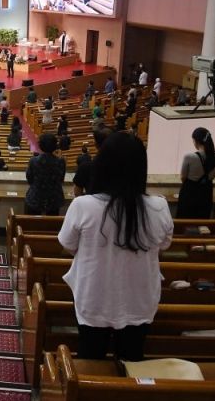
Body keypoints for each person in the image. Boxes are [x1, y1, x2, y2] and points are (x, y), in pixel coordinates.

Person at [57, 133, 174, 361]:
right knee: (132, 360)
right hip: (140, 298)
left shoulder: (83, 205)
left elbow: (68, 246)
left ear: (102, 165)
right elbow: (163, 246)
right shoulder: (159, 207)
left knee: (91, 357)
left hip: (94, 295)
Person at [176, 128, 215, 219]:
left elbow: (183, 177)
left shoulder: (189, 157)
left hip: (189, 192)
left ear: (195, 141)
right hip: (206, 193)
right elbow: (212, 177)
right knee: (202, 221)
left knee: (184, 220)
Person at [25, 133, 67, 216]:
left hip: (35, 197)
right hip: (54, 198)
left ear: (40, 145)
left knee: (31, 221)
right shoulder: (61, 161)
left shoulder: (33, 161)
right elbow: (61, 180)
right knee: (52, 222)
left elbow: (29, 179)